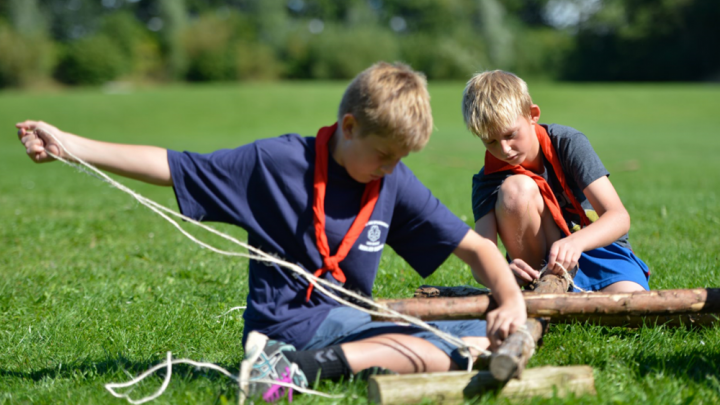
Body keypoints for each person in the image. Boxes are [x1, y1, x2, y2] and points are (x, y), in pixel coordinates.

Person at [17, 62, 526, 403]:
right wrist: (68, 145)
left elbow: (475, 246)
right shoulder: (276, 162)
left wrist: (509, 298)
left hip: (346, 321)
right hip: (283, 327)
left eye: (401, 158)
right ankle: (295, 369)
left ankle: (307, 368)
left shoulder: (392, 179)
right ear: (348, 127)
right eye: (384, 153)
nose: (391, 167)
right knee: (463, 349)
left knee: (496, 335)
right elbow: (174, 166)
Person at [462, 70, 650, 293]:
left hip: (598, 249)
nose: (503, 149)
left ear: (533, 115)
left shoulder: (568, 143)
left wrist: (576, 242)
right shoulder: (489, 178)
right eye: (490, 141)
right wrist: (501, 272)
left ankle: (567, 296)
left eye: (510, 135)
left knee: (630, 300)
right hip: (543, 265)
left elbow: (618, 217)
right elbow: (481, 254)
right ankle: (540, 289)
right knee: (516, 189)